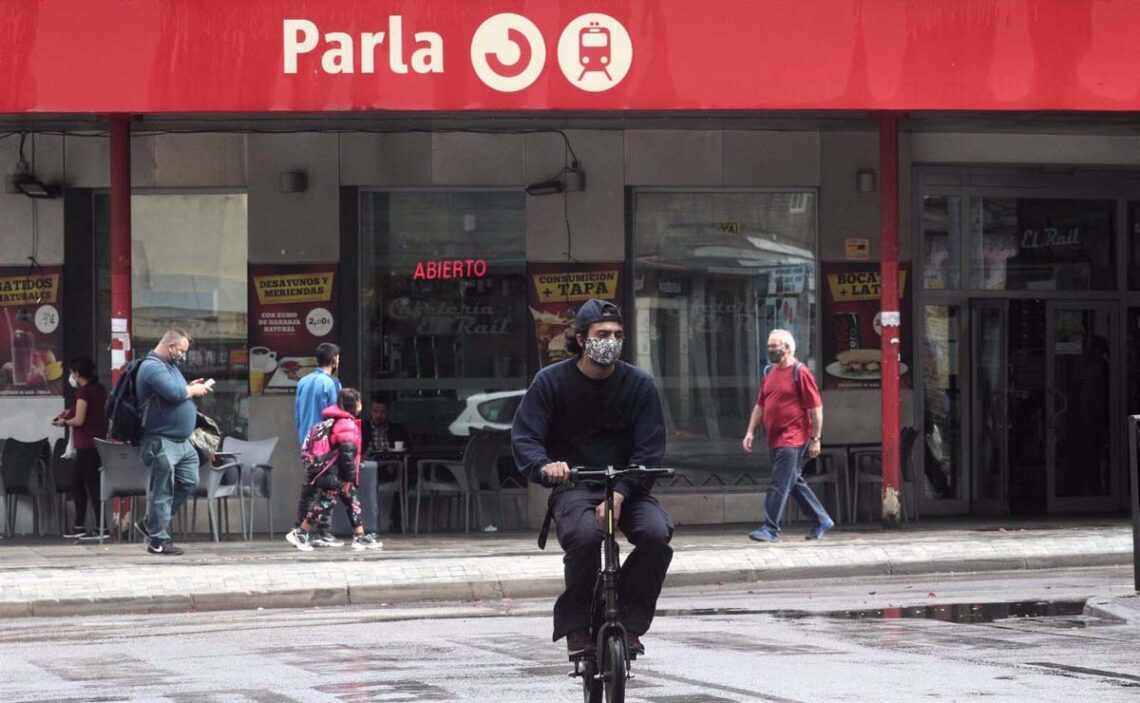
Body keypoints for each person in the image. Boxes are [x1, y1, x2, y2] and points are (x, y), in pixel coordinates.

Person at [512, 299, 672, 658]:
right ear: (581, 339)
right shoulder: (550, 381)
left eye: (617, 335)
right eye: (602, 334)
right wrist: (544, 466)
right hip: (576, 487)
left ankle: (628, 623)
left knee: (657, 535)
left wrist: (623, 492)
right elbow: (526, 436)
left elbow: (649, 449)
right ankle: (577, 626)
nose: (611, 341)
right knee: (584, 537)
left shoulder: (639, 384)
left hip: (628, 486)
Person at [742, 329, 833, 542]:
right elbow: (760, 405)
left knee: (778, 483)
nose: (771, 350)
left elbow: (816, 409)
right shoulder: (769, 373)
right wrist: (750, 431)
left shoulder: (800, 373)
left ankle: (770, 528)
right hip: (774, 438)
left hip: (793, 439)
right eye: (769, 347)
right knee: (793, 482)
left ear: (788, 348)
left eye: (775, 347)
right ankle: (821, 519)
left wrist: (815, 439)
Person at [136, 328, 213, 555]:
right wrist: (192, 390)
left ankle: (151, 523)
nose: (183, 355)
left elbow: (178, 390)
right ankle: (158, 541)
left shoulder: (170, 367)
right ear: (170, 346)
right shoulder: (151, 366)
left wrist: (190, 385)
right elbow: (173, 393)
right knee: (163, 489)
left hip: (182, 441)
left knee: (189, 481)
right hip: (161, 440)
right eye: (181, 350)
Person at [286, 388, 382, 551]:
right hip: (334, 473)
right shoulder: (346, 424)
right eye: (359, 401)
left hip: (330, 470)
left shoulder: (334, 420)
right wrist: (348, 478)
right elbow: (346, 453)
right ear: (355, 404)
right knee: (325, 502)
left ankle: (360, 536)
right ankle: (301, 533)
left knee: (352, 501)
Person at [53, 357, 108, 540]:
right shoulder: (99, 390)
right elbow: (89, 411)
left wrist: (63, 422)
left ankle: (102, 527)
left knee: (91, 485)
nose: (71, 376)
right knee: (78, 482)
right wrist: (70, 411)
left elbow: (80, 420)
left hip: (86, 444)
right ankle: (79, 525)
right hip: (98, 443)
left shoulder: (84, 392)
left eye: (71, 373)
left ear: (77, 374)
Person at [293, 342, 342, 546]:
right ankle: (324, 532)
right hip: (325, 445)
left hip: (306, 440)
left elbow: (297, 413)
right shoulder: (332, 383)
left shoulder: (303, 381)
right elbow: (335, 415)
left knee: (309, 487)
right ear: (335, 360)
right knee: (328, 487)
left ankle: (299, 528)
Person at [363, 396, 412, 531]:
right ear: (370, 411)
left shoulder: (397, 429)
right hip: (369, 469)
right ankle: (365, 524)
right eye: (376, 411)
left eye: (382, 412)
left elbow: (408, 450)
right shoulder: (363, 428)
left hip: (391, 467)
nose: (379, 415)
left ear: (388, 413)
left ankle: (396, 521)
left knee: (404, 479)